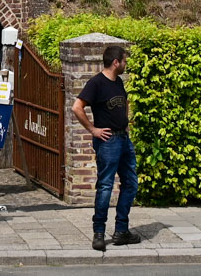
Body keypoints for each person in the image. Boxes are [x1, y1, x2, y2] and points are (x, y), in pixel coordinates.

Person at [73, 43, 140, 251]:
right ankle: (99, 233)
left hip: (123, 139)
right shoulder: (96, 83)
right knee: (105, 186)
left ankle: (121, 230)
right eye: (125, 61)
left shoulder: (118, 82)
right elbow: (77, 107)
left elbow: (123, 103)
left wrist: (125, 124)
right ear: (116, 62)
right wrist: (93, 129)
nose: (126, 64)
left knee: (131, 183)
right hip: (108, 141)